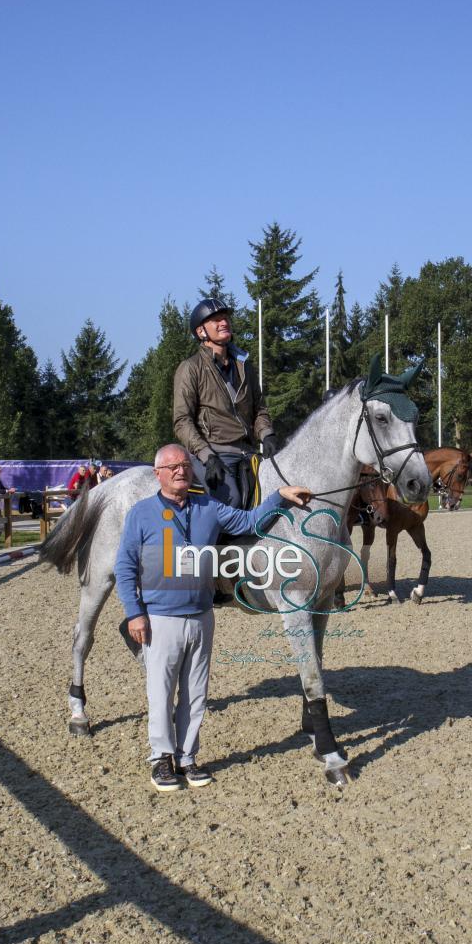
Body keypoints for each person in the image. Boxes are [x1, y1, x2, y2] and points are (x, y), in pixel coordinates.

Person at [114, 443, 311, 791]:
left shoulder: (209, 507)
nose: (180, 470)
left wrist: (279, 495)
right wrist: (134, 614)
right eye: (172, 466)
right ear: (158, 473)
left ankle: (187, 758)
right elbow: (125, 567)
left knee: (195, 693)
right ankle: (161, 759)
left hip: (202, 615)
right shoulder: (141, 513)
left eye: (185, 465)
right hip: (160, 617)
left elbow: (251, 521)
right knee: (160, 691)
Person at [173, 297, 277, 508]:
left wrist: (267, 435)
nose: (224, 322)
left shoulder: (245, 367)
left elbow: (259, 409)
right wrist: (206, 455)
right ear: (201, 332)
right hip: (215, 454)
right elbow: (182, 421)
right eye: (216, 320)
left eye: (225, 318)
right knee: (233, 502)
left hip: (248, 454)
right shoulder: (190, 368)